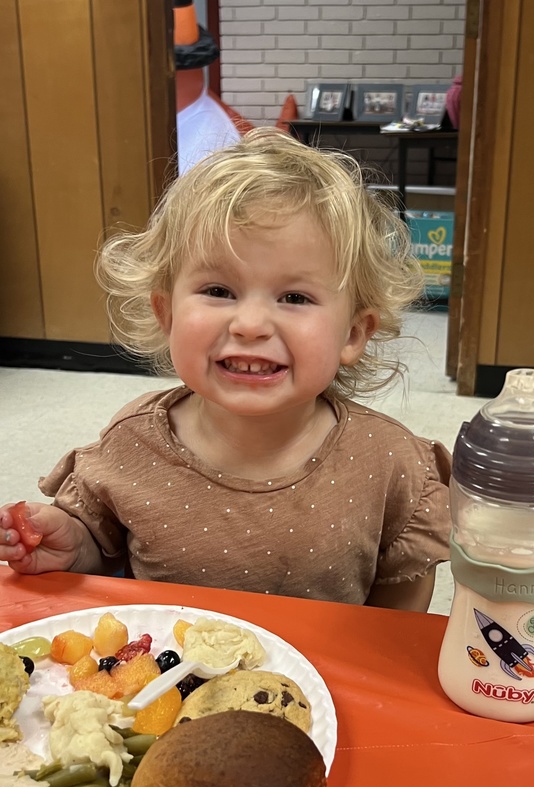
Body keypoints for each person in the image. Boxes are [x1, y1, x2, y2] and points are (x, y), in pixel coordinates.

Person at [0, 128, 452, 612]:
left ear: (353, 334)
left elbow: (402, 596)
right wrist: (73, 545)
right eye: (218, 291)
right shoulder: (132, 442)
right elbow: (103, 545)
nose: (250, 324)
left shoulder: (388, 461)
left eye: (294, 297)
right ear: (166, 314)